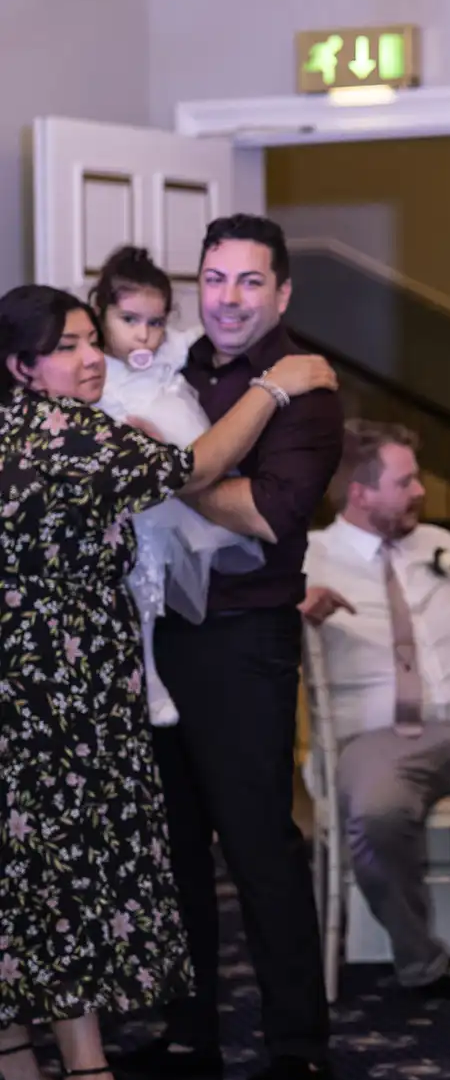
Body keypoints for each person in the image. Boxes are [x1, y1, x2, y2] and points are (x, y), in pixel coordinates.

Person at [0, 285, 335, 1080]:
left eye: (90, 341)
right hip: (58, 693)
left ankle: (16, 1057)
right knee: (70, 877)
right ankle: (86, 1078)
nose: (91, 359)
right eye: (69, 346)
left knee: (23, 876)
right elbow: (194, 467)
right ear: (20, 367)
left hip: (23, 684)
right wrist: (274, 386)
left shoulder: (14, 431)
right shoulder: (70, 434)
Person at [120, 215, 344, 1080]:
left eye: (250, 282)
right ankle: (190, 1033)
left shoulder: (307, 389)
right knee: (171, 846)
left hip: (245, 637)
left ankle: (300, 1046)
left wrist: (165, 466)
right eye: (215, 279)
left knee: (257, 842)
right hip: (152, 632)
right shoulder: (167, 361)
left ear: (282, 294)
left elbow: (265, 516)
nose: (229, 298)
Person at [302, 420, 450, 998]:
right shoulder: (308, 561)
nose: (422, 491)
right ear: (360, 492)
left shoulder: (446, 545)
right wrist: (291, 611)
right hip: (377, 739)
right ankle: (421, 960)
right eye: (405, 483)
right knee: (376, 812)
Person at [89, 245, 260, 727]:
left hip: (167, 498)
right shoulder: (96, 372)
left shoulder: (170, 353)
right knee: (125, 582)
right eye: (129, 319)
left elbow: (217, 330)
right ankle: (130, 674)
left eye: (155, 321)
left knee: (150, 581)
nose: (144, 333)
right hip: (119, 502)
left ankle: (151, 675)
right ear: (101, 313)